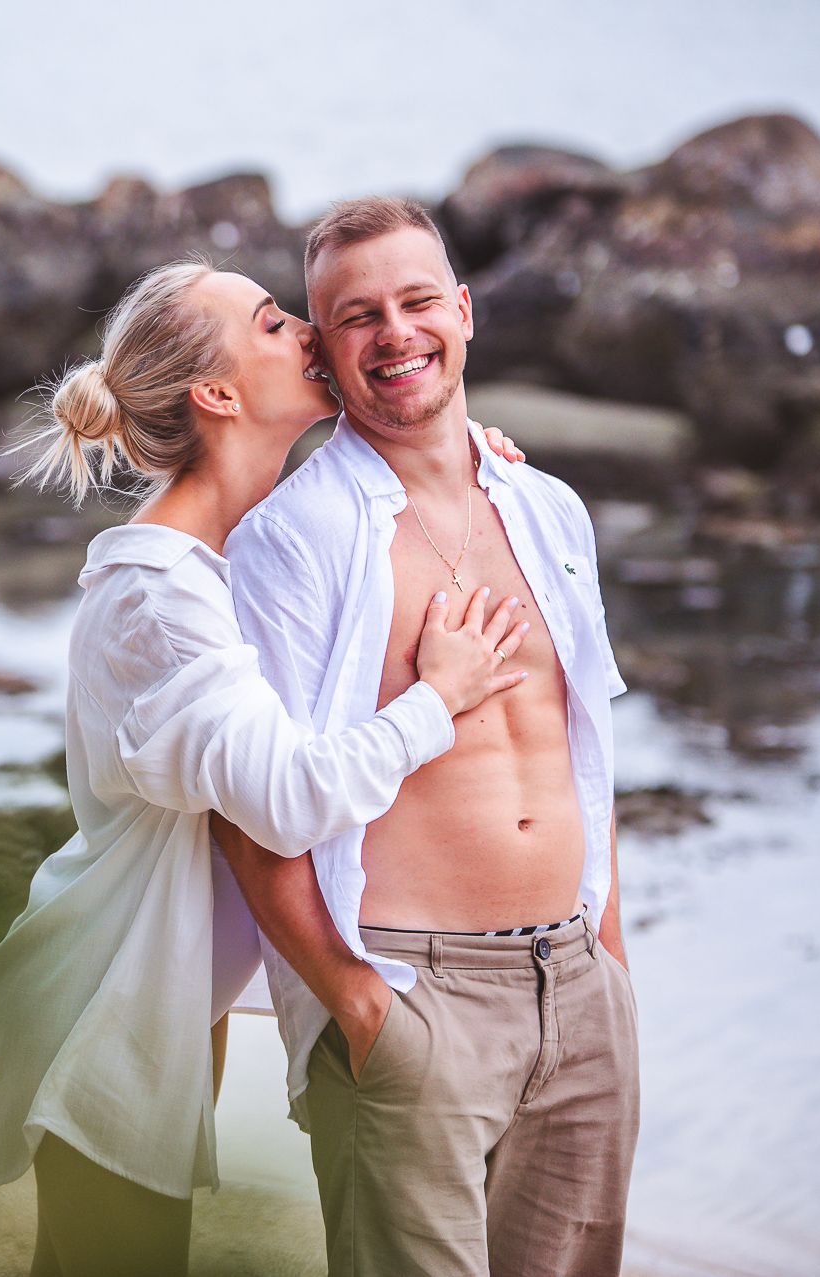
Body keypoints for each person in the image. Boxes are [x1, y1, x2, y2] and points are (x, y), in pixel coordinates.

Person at [0, 257, 533, 1277]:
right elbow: (285, 799)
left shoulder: (232, 555)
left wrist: (469, 465)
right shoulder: (158, 597)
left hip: (159, 997)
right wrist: (439, 698)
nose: (310, 333)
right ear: (219, 394)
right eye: (275, 323)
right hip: (105, 1003)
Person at [214, 197, 639, 1277]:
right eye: (358, 316)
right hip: (411, 992)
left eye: (415, 301)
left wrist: (611, 958)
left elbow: (588, 743)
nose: (395, 333)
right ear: (323, 349)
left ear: (461, 309)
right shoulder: (295, 538)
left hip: (577, 986)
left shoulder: (551, 508)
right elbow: (252, 804)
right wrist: (355, 1003)